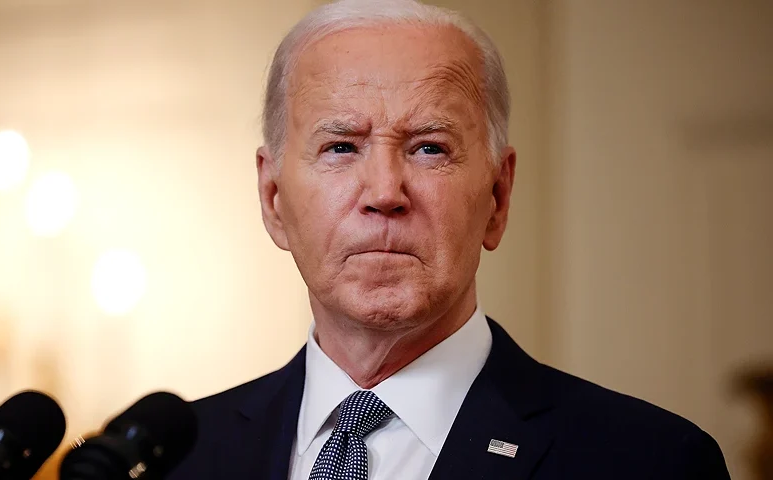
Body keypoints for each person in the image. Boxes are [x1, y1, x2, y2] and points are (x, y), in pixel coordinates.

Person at [170, 0, 731, 478]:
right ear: (273, 200)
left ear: (497, 198)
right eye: (341, 146)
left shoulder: (649, 462)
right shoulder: (175, 460)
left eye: (429, 148)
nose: (385, 191)